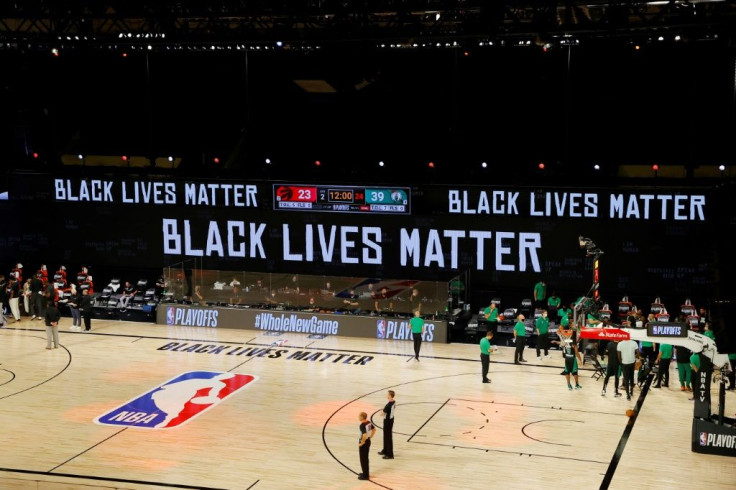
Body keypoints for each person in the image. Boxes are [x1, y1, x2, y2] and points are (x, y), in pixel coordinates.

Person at [618, 336, 640, 401]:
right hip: (632, 362)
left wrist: (621, 363)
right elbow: (638, 353)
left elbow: (619, 356)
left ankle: (628, 395)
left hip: (624, 363)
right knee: (631, 377)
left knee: (626, 379)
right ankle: (631, 391)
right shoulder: (634, 343)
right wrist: (634, 356)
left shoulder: (620, 344)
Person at [357, 411, 376, 481]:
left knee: (363, 459)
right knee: (365, 458)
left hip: (364, 443)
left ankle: (365, 476)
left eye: (359, 416)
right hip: (368, 441)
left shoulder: (362, 425)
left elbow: (364, 435)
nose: (358, 417)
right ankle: (365, 473)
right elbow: (374, 430)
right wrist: (370, 437)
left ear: (362, 417)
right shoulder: (368, 422)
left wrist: (362, 442)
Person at [378, 390, 396, 459]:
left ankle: (390, 454)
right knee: (386, 436)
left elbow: (381, 414)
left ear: (390, 396)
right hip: (390, 420)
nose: (386, 395)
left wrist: (382, 411)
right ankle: (385, 450)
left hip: (388, 421)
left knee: (388, 437)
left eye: (387, 394)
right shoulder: (393, 402)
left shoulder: (389, 405)